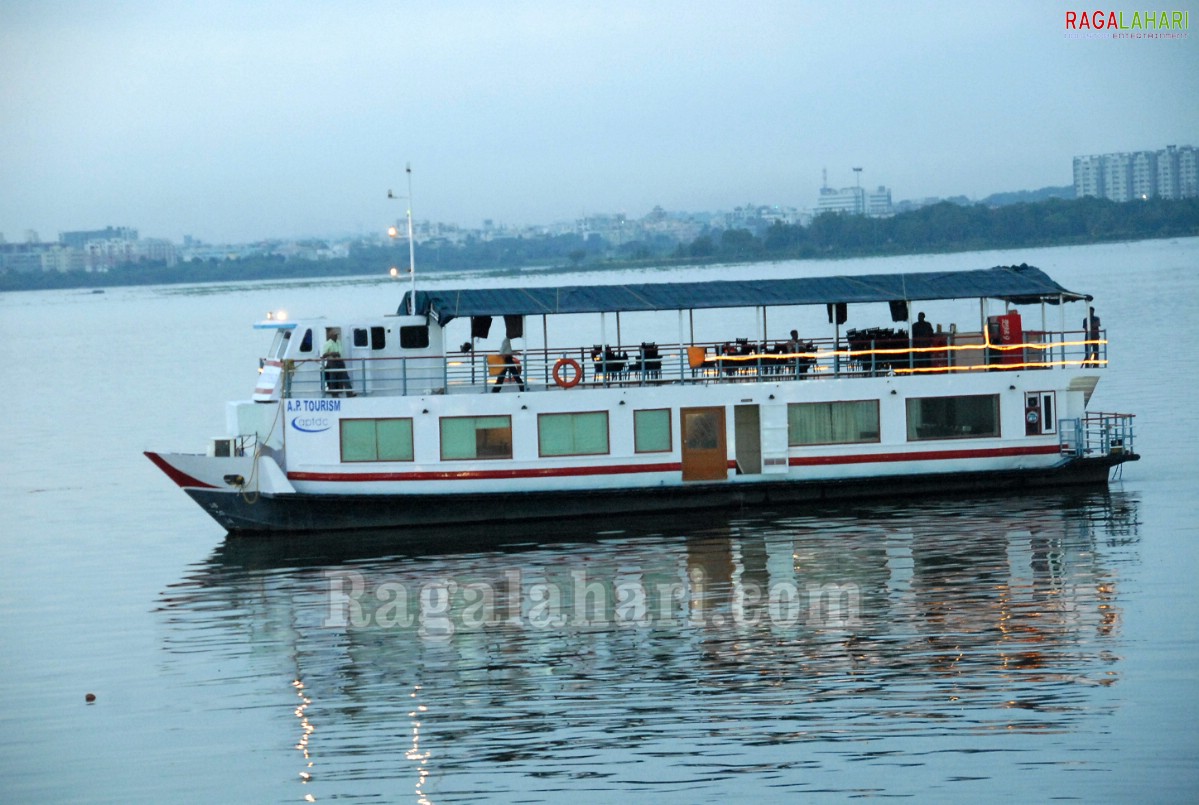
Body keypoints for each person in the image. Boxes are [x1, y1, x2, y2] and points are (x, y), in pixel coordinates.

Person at [321, 328, 353, 397]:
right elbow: (323, 355)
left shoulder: (338, 342)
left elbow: (340, 351)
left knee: (345, 377)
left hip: (340, 360)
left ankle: (349, 393)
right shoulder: (327, 343)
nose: (336, 336)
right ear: (331, 336)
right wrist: (331, 353)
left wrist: (338, 354)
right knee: (333, 378)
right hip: (332, 362)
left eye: (336, 335)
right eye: (335, 335)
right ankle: (334, 394)